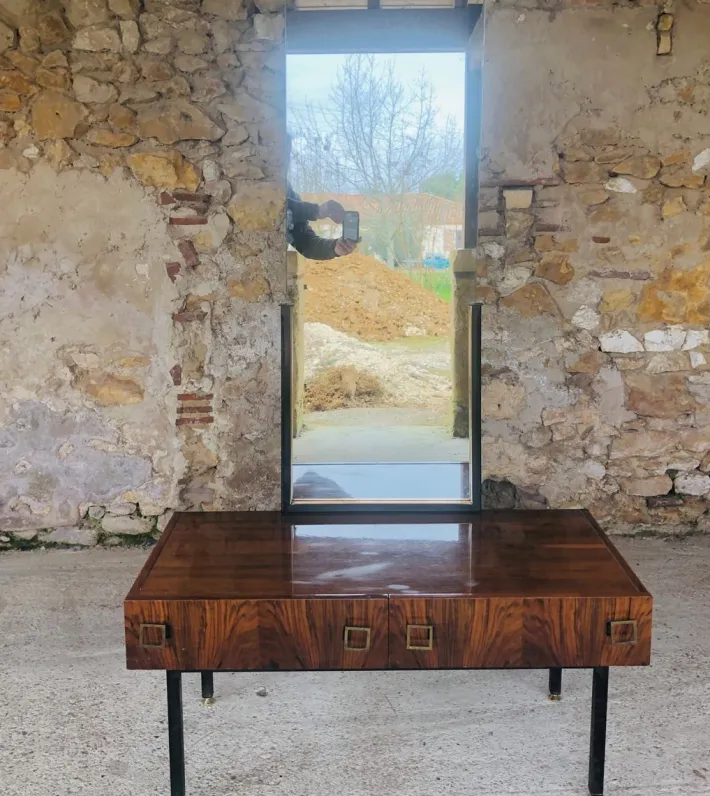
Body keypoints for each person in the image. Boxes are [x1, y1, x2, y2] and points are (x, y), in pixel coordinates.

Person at [286, 134, 358, 261]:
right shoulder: (249, 185)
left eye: (286, 156)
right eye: (276, 154)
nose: (283, 162)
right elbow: (270, 206)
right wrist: (316, 211)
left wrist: (334, 247)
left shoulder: (289, 193)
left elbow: (306, 244)